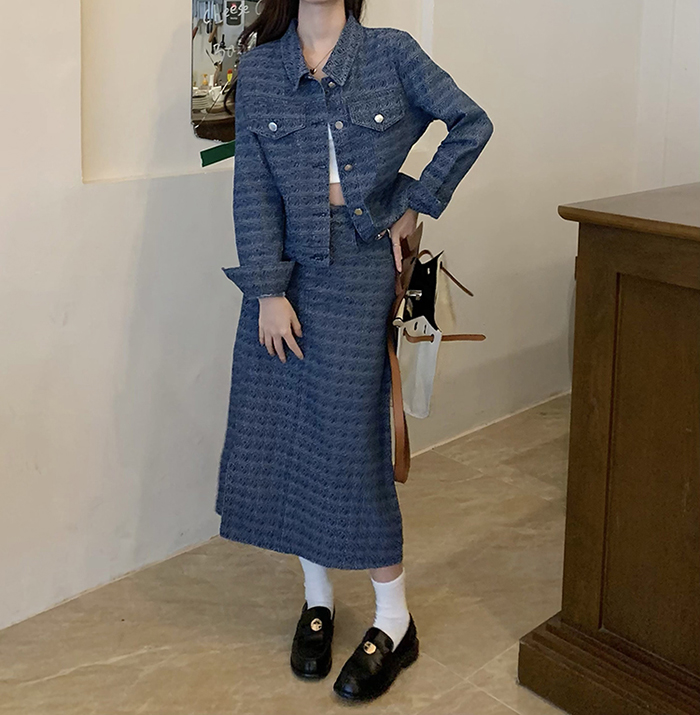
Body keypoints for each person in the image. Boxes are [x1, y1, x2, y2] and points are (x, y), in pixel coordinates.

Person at [215, 0, 493, 702]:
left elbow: (471, 121)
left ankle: (395, 619)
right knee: (292, 438)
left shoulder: (391, 53)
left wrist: (417, 200)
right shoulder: (262, 70)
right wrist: (268, 289)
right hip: (286, 276)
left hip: (362, 270)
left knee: (349, 441)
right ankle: (318, 600)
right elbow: (253, 186)